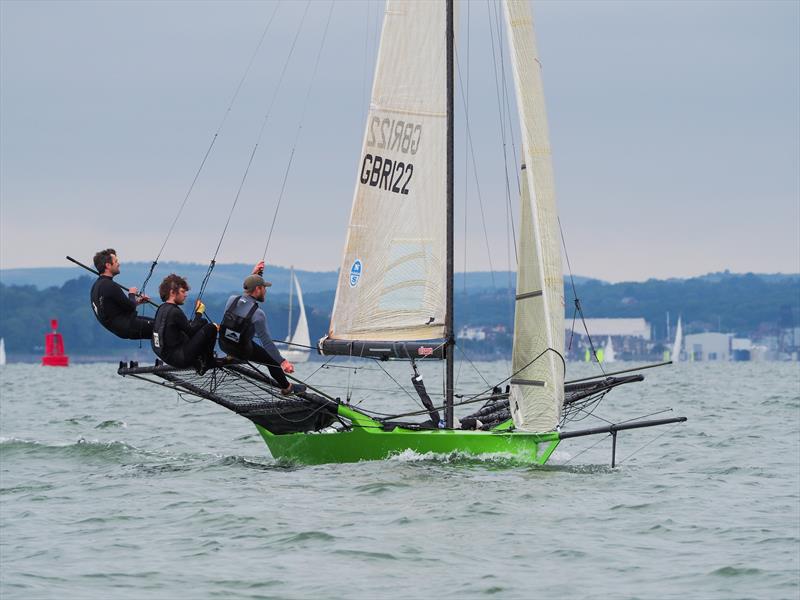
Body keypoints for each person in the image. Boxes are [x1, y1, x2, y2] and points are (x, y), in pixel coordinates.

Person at [219, 262, 305, 395]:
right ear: (258, 289)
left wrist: (254, 275)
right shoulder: (258, 314)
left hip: (223, 345)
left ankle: (230, 356)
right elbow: (267, 344)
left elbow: (246, 293)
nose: (266, 290)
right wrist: (283, 362)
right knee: (271, 361)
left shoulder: (232, 300)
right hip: (242, 351)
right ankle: (287, 388)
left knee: (236, 332)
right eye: (264, 287)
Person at [151, 274, 217, 374]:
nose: (185, 295)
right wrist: (199, 313)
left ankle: (201, 360)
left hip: (167, 356)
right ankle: (208, 362)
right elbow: (192, 332)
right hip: (180, 359)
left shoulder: (161, 308)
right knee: (211, 328)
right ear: (172, 292)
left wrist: (199, 319)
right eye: (182, 291)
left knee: (203, 322)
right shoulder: (175, 311)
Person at [90, 248, 154, 339]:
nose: (118, 264)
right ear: (108, 265)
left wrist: (138, 302)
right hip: (128, 326)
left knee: (160, 326)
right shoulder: (110, 286)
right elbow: (130, 307)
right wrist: (131, 294)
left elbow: (119, 307)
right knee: (162, 328)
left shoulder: (96, 286)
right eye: (116, 261)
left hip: (121, 328)